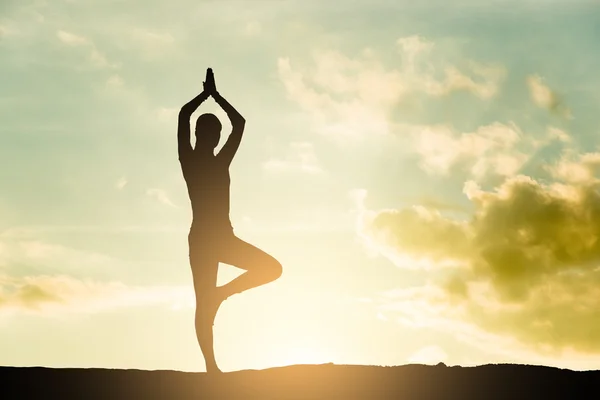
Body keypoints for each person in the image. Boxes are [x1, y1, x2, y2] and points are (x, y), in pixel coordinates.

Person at [177, 68, 283, 374]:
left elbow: (240, 124)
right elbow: (185, 115)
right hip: (202, 240)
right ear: (200, 135)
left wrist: (215, 96)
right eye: (210, 133)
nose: (214, 137)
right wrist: (207, 96)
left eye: (217, 134)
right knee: (203, 305)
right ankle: (211, 366)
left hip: (224, 238)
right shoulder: (189, 159)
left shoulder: (221, 160)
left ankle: (221, 294)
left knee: (271, 268)